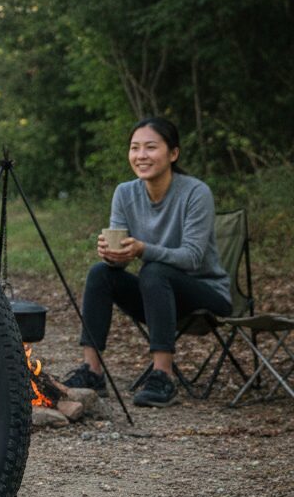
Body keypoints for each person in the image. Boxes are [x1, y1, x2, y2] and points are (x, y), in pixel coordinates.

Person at [64, 117, 232, 407]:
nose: (141, 156)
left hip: (206, 294)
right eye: (135, 148)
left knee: (154, 270)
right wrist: (112, 255)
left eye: (151, 147)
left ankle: (162, 376)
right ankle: (92, 371)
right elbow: (121, 260)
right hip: (157, 297)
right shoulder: (125, 193)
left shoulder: (195, 192)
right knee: (100, 273)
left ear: (173, 154)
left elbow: (192, 257)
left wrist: (141, 249)